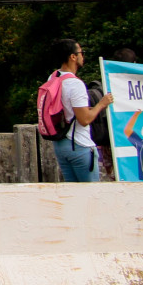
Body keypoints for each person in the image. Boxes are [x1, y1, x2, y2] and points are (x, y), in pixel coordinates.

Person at [45, 38, 111, 183]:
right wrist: (102, 104)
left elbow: (69, 110)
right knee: (91, 195)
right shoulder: (75, 84)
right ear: (73, 57)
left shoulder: (53, 77)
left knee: (73, 195)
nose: (83, 56)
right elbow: (84, 119)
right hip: (78, 144)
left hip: (60, 144)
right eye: (81, 52)